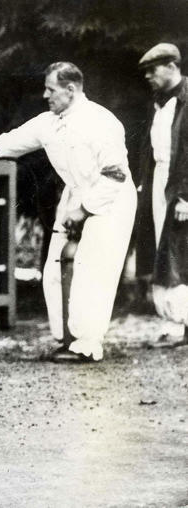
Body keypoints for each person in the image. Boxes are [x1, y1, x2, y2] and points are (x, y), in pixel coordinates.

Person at [0, 62, 136, 361]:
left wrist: (85, 209)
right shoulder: (46, 123)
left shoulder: (102, 122)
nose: (45, 95)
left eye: (51, 89)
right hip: (76, 194)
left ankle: (87, 345)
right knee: (54, 268)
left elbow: (115, 175)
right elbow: (5, 144)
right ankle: (67, 339)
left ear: (71, 90)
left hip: (111, 198)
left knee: (93, 269)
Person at [136, 43, 188, 346]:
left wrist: (186, 196)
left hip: (180, 187)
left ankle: (185, 326)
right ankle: (178, 323)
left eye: (153, 69)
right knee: (164, 249)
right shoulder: (159, 102)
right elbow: (153, 147)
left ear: (171, 66)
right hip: (160, 183)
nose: (148, 75)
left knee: (180, 251)